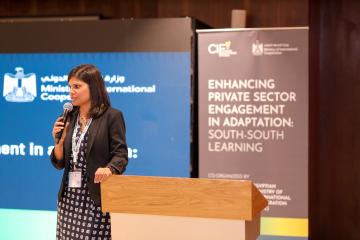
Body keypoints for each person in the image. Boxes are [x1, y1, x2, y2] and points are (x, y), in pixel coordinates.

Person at [50, 64, 128, 240]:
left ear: (93, 87)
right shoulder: (69, 117)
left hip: (95, 198)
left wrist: (110, 169)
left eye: (77, 86)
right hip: (69, 198)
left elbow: (121, 154)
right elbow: (60, 162)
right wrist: (58, 143)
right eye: (70, 87)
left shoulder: (111, 116)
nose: (71, 92)